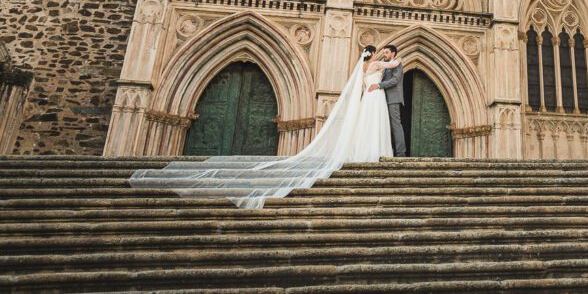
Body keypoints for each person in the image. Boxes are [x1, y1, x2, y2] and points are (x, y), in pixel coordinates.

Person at [130, 44, 399, 209]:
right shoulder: (376, 64)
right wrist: (392, 59)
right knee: (371, 126)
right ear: (373, 55)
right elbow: (394, 64)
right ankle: (371, 153)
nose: (379, 54)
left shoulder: (365, 67)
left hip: (371, 96)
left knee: (368, 125)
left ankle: (367, 152)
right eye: (377, 52)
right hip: (373, 96)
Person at [366, 44, 406, 157]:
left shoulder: (397, 65)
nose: (384, 55)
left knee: (395, 125)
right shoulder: (386, 66)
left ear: (393, 53)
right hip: (382, 100)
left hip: (393, 99)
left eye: (386, 52)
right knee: (384, 125)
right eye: (383, 53)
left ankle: (401, 153)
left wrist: (379, 85)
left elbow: (395, 80)